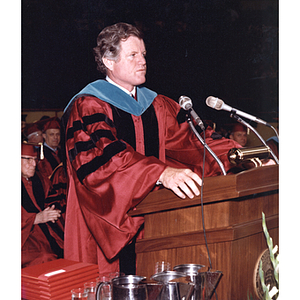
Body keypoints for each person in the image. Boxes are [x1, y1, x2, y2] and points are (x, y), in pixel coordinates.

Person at [62, 22, 241, 275]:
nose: (142, 61)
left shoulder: (156, 105)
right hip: (108, 222)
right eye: (133, 55)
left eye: (143, 54)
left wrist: (241, 156)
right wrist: (160, 173)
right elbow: (106, 160)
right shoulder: (88, 106)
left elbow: (194, 144)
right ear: (109, 61)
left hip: (154, 219)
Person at [21, 142, 64, 268]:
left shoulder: (40, 179)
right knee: (44, 257)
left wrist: (54, 212)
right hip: (24, 237)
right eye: (28, 160)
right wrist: (36, 218)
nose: (34, 164)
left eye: (34, 160)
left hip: (45, 231)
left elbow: (54, 200)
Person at [37, 117, 67, 217]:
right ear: (44, 136)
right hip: (49, 200)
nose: (55, 137)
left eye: (58, 134)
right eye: (51, 134)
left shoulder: (63, 153)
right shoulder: (40, 155)